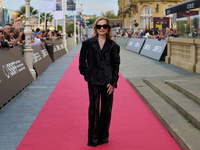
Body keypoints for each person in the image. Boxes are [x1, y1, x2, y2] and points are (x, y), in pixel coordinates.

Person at [79, 17, 120, 147]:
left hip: (108, 82)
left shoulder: (114, 46)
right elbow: (81, 64)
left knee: (107, 110)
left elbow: (116, 65)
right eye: (99, 26)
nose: (102, 29)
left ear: (108, 28)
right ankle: (93, 139)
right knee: (94, 108)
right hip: (93, 81)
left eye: (104, 26)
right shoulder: (88, 44)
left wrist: (113, 82)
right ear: (95, 28)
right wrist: (88, 75)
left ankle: (103, 136)